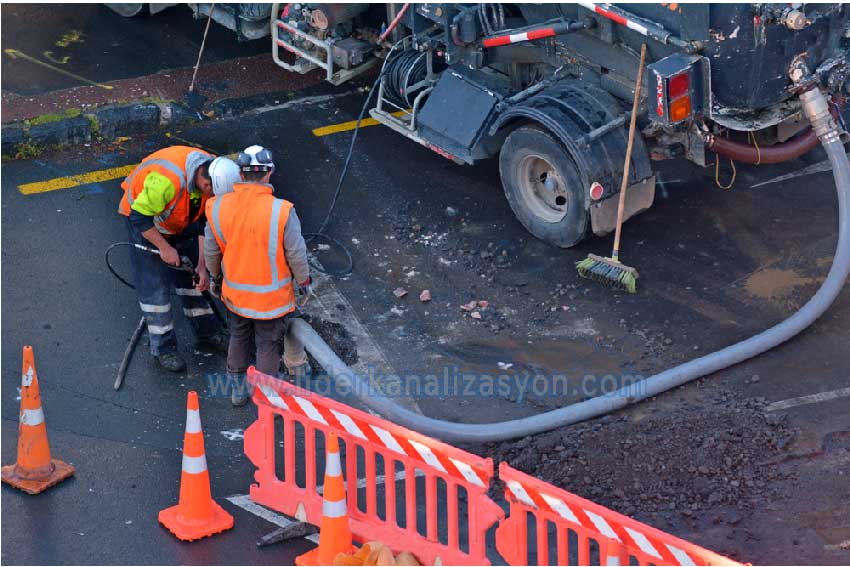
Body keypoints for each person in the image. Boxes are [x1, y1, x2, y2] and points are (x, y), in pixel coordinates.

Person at [205, 145, 312, 406]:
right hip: (270, 301)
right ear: (269, 173)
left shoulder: (218, 207)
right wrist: (304, 283)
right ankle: (267, 398)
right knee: (267, 345)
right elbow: (296, 254)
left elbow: (211, 251)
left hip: (236, 297)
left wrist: (216, 278)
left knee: (238, 337)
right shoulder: (282, 210)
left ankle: (237, 391)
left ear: (240, 175)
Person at [118, 145, 228, 373]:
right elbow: (140, 217)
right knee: (155, 288)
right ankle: (164, 348)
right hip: (146, 223)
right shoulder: (166, 181)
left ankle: (207, 331)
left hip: (181, 217)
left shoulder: (215, 170)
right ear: (206, 184)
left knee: (194, 279)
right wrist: (165, 248)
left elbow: (204, 223)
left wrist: (202, 266)